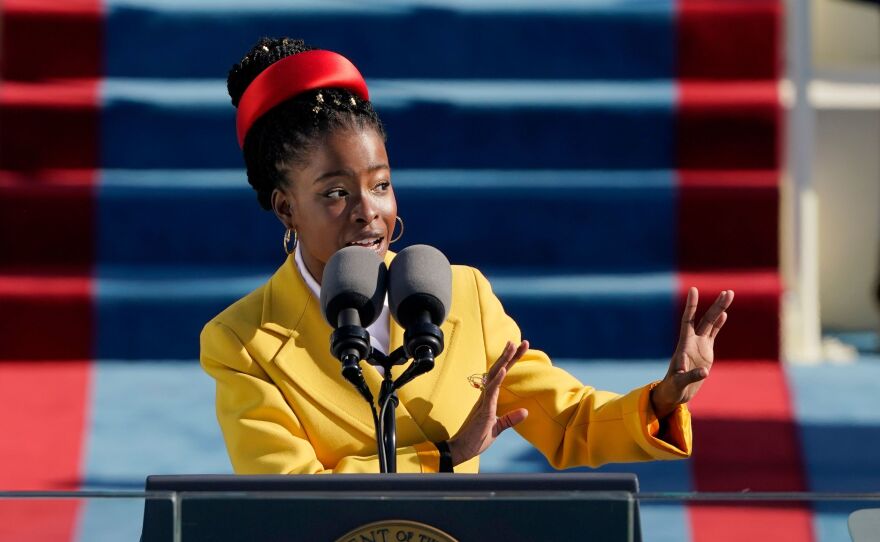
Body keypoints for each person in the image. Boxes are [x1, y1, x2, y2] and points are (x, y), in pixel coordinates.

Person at [200, 37, 735, 474]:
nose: (369, 212)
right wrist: (447, 458)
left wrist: (663, 401)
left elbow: (569, 423)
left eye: (380, 185)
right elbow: (288, 503)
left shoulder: (461, 297)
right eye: (336, 193)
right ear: (285, 208)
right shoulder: (243, 342)